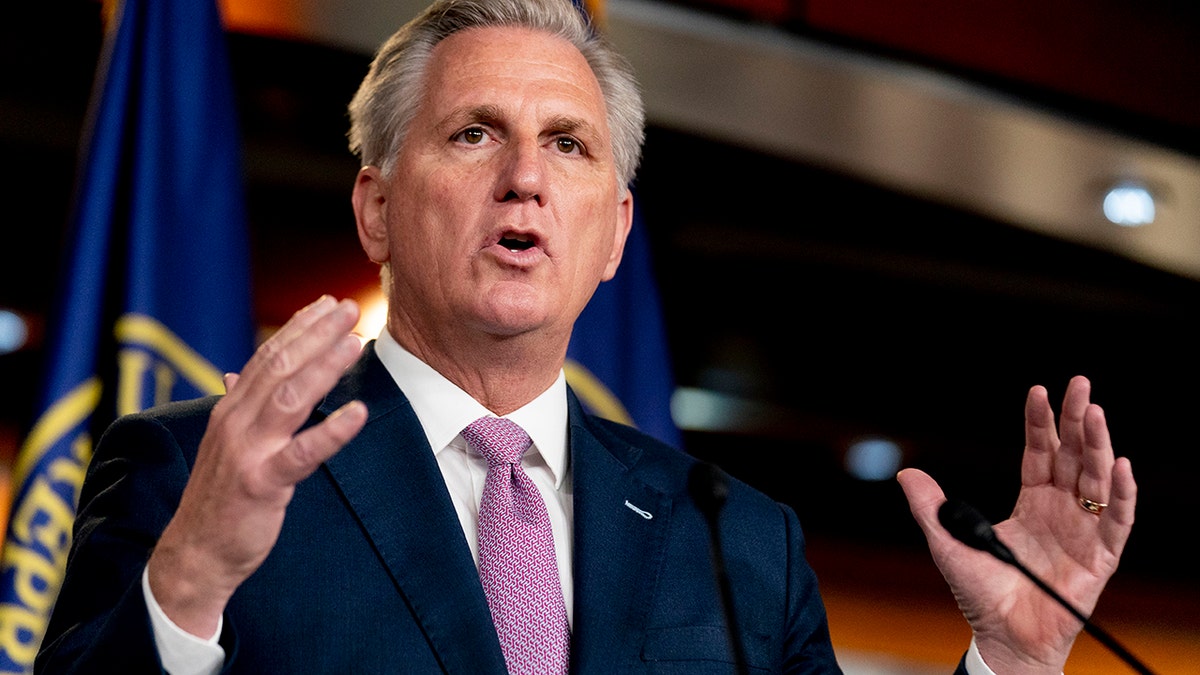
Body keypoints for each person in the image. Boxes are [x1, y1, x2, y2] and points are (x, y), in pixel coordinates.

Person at [36, 0, 1137, 672]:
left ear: (612, 233)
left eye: (568, 146)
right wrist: (183, 584)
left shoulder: (738, 541)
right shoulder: (198, 474)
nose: (525, 179)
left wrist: (1012, 661)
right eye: (475, 134)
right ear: (374, 206)